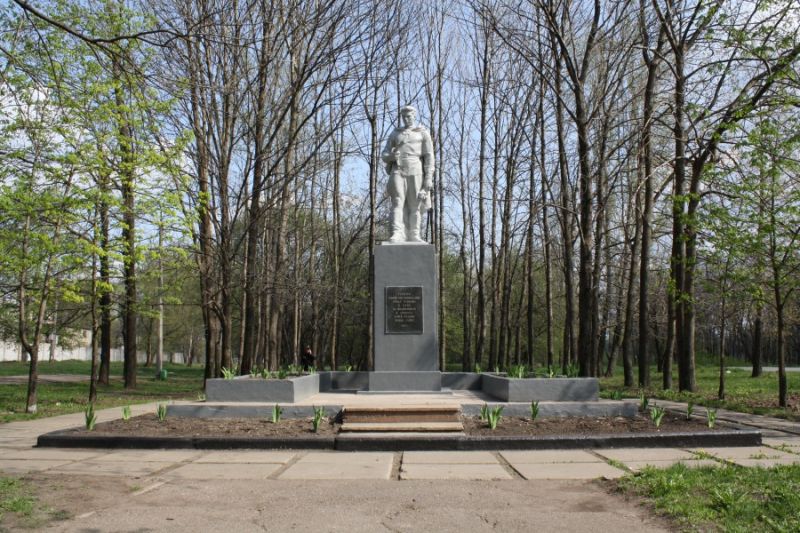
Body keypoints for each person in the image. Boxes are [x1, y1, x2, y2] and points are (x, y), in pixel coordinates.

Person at [381, 105, 434, 242]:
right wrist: (391, 157)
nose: (406, 119)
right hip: (398, 170)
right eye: (404, 116)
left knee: (414, 204)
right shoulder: (395, 133)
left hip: (416, 170)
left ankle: (414, 233)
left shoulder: (422, 133)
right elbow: (384, 154)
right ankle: (397, 232)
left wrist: (428, 179)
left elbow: (429, 157)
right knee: (397, 201)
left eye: (409, 116)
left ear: (414, 116)